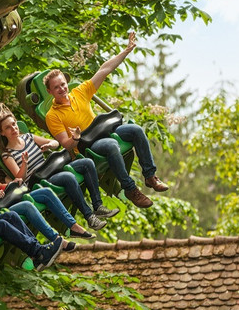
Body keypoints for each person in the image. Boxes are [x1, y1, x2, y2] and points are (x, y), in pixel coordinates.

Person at [44, 32, 169, 208]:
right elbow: (66, 144)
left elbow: (104, 70)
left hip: (103, 130)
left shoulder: (79, 92)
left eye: (63, 84)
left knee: (136, 130)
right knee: (111, 145)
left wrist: (126, 51)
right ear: (50, 92)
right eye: (56, 87)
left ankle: (150, 176)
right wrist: (76, 137)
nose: (62, 88)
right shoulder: (52, 115)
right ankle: (131, 189)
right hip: (87, 145)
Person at [0, 105, 120, 231]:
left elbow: (55, 143)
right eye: (8, 127)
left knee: (87, 163)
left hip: (52, 169)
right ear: (2, 133)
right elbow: (19, 177)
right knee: (68, 177)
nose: (13, 128)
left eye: (14, 124)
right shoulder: (7, 154)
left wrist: (49, 145)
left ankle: (98, 206)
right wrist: (24, 163)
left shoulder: (28, 137)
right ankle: (90, 217)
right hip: (39, 181)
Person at [0, 150, 92, 242]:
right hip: (0, 212)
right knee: (28, 205)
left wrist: (13, 183)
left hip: (10, 199)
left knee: (46, 192)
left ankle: (73, 227)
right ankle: (56, 239)